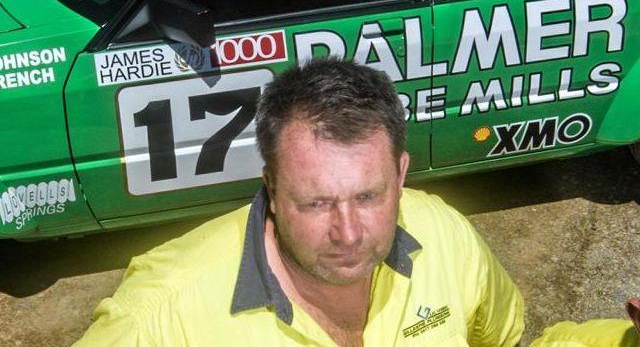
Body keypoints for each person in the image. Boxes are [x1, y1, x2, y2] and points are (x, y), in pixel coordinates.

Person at [74, 59, 524, 346]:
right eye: (315, 203)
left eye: (368, 196)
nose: (348, 233)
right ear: (272, 187)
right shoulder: (159, 317)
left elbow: (502, 337)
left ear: (401, 173)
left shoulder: (446, 236)